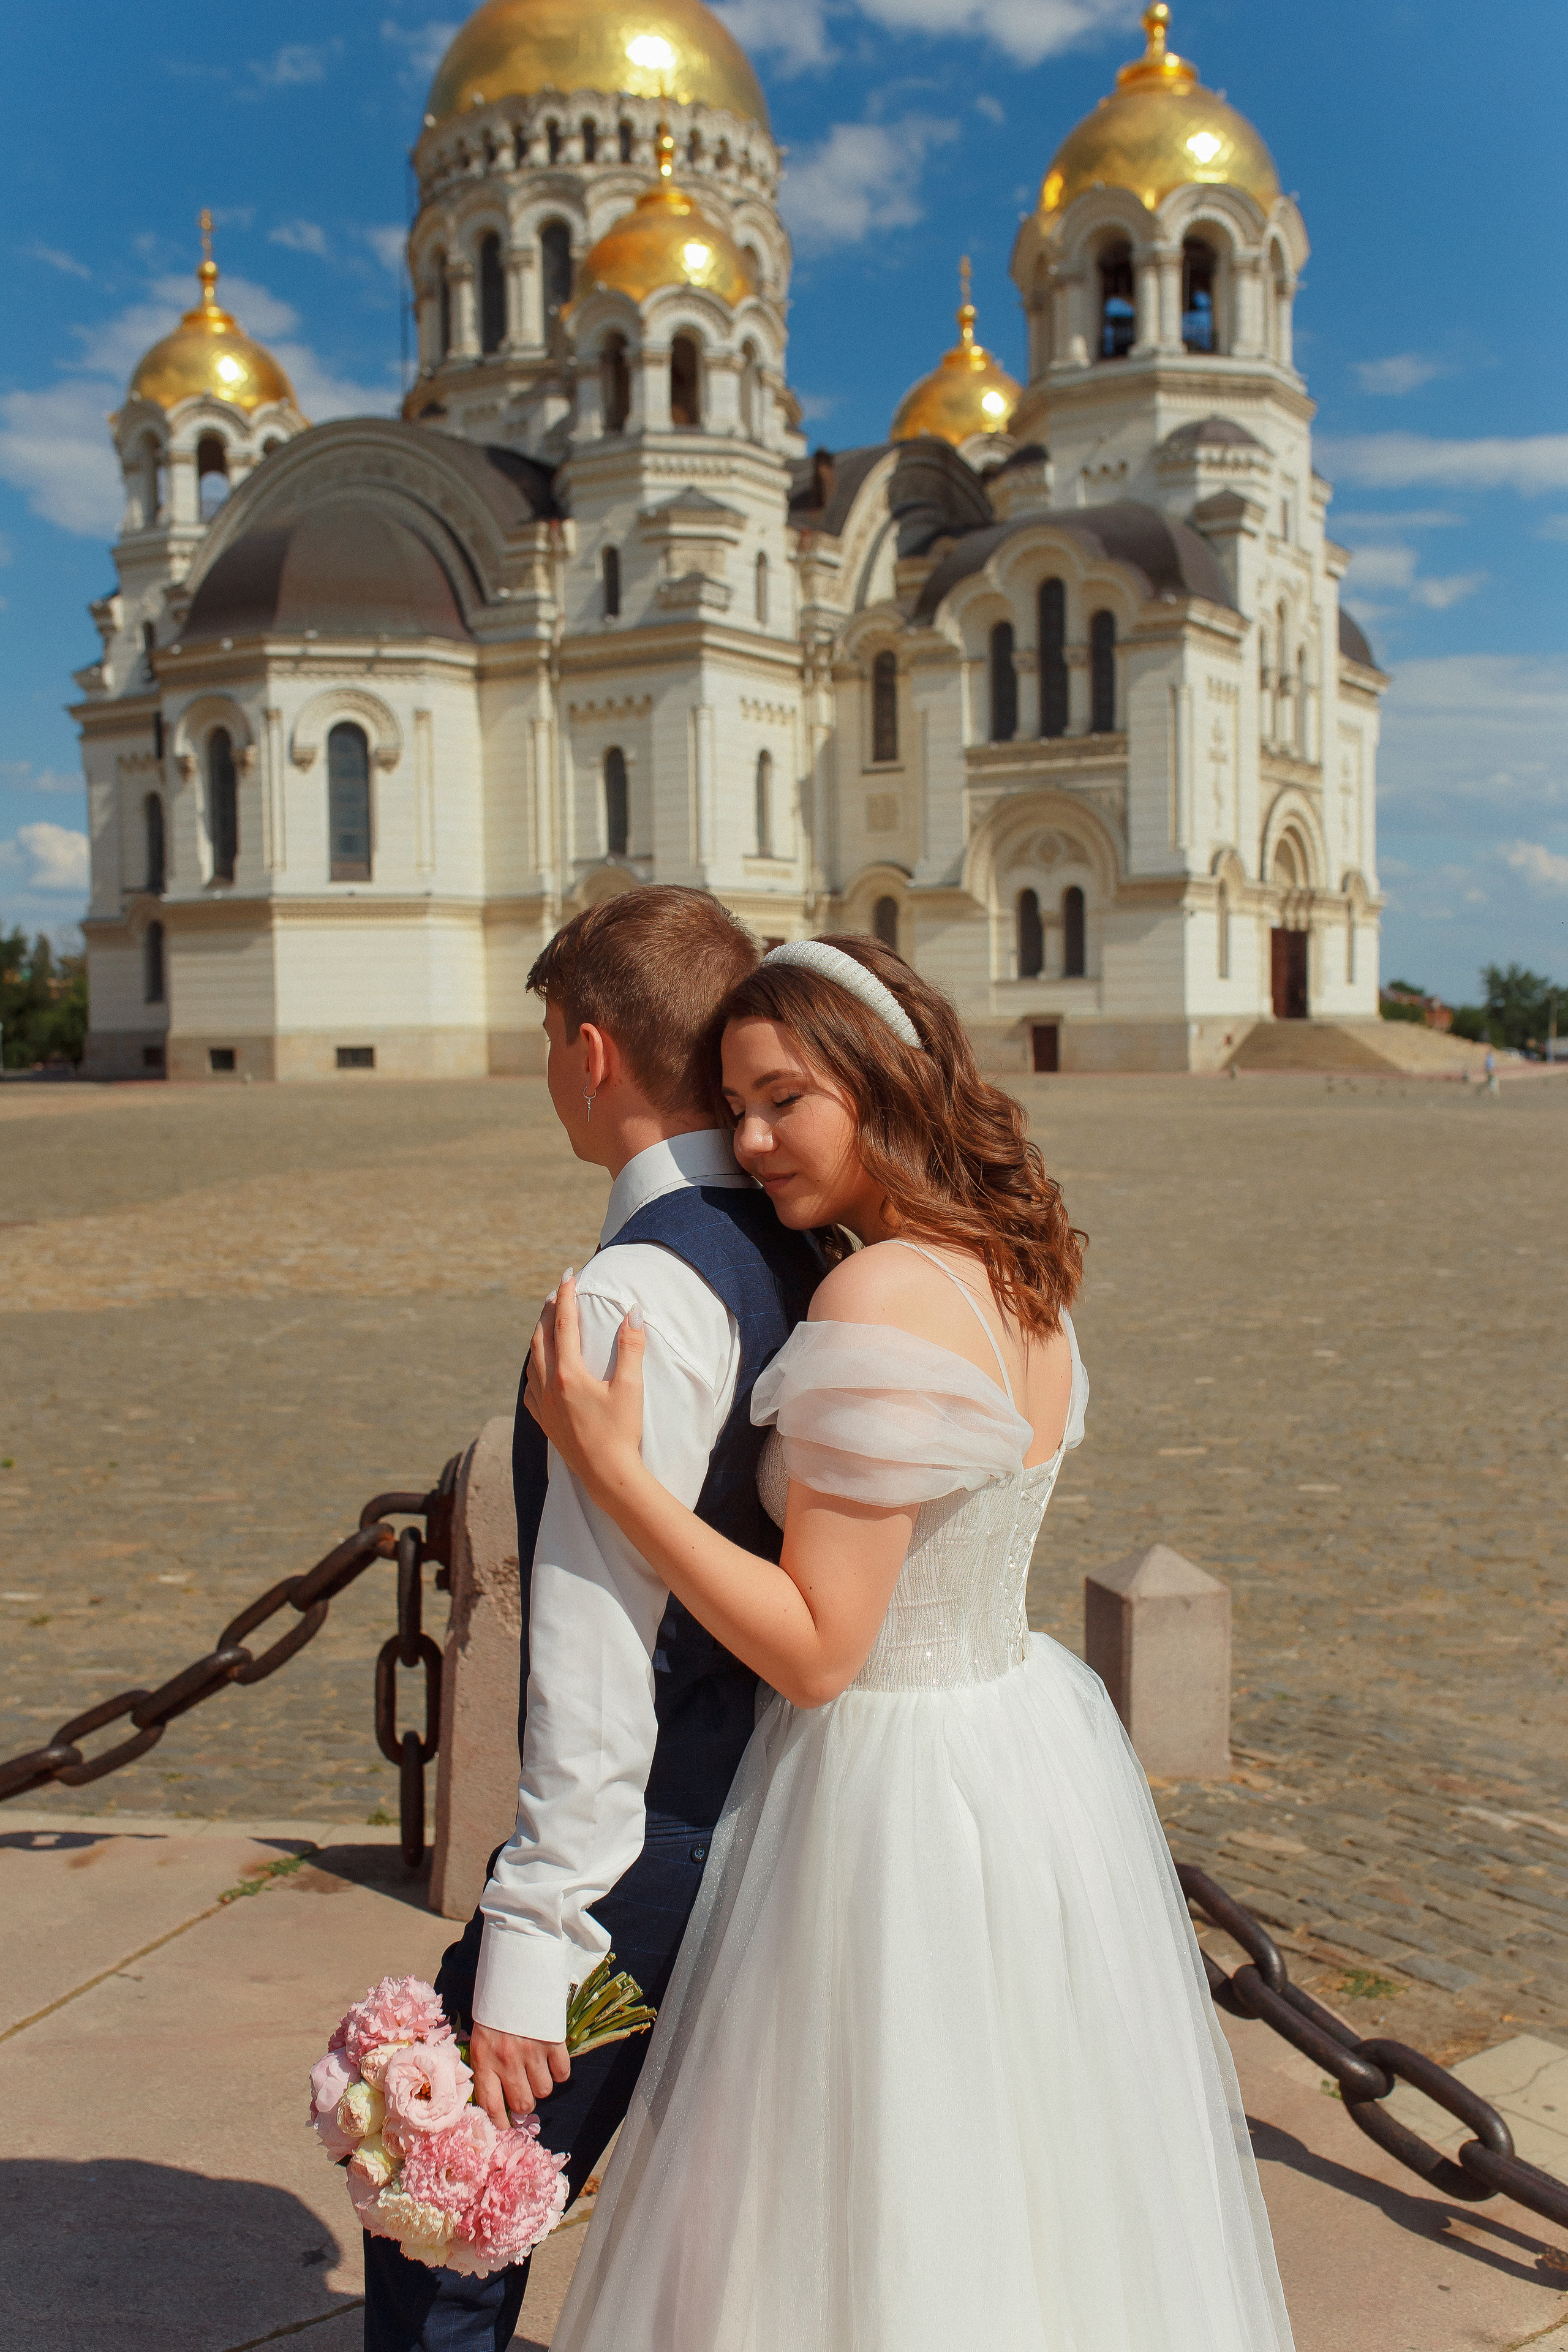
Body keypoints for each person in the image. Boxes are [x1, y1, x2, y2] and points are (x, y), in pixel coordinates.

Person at [527, 935, 1296, 2351]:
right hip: (1022, 1745)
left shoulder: (874, 1298)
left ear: (880, 1086)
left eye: (783, 1101)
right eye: (734, 1106)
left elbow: (820, 1649)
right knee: (1024, 2181)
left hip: (883, 1786)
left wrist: (618, 1473)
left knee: (856, 2195)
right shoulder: (1018, 1269)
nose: (749, 1141)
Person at [363, 888, 820, 2351]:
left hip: (643, 1846)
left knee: (448, 2207)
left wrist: (529, 1942)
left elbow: (591, 1645)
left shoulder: (634, 1291)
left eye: (544, 1038)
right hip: (784, 1809)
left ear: (592, 1049)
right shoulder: (805, 1241)